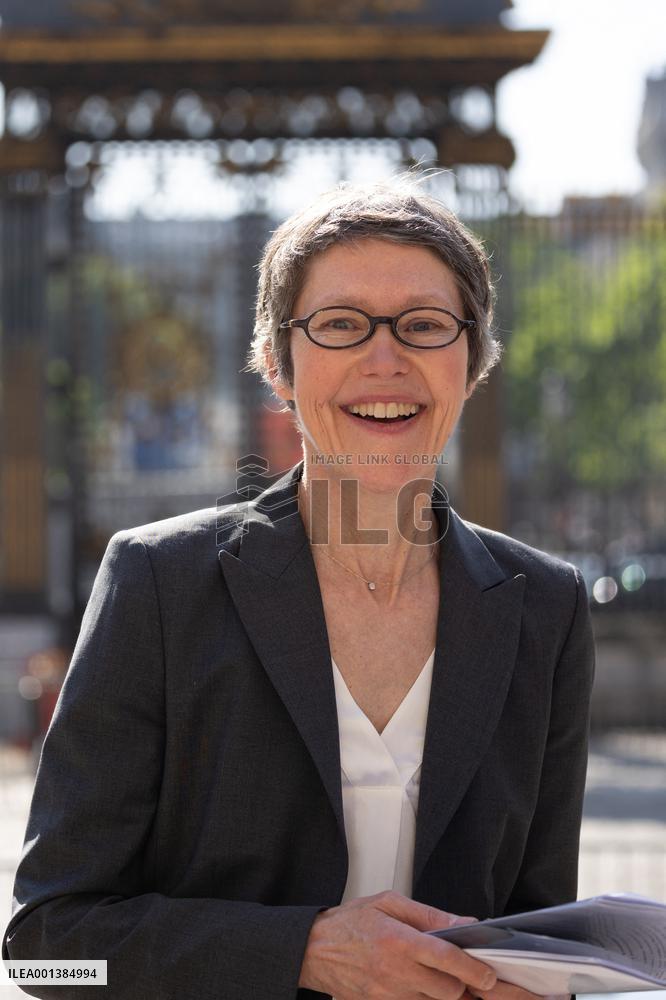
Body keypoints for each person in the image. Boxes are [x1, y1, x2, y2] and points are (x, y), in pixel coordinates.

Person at [3, 178, 595, 1000]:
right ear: (278, 366)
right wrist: (303, 953)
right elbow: (43, 953)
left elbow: (538, 938)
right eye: (341, 325)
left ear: (473, 362)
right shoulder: (159, 586)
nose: (385, 359)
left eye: (425, 325)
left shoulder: (547, 608)